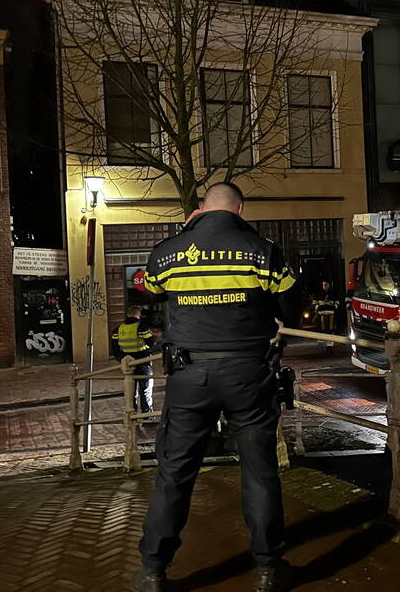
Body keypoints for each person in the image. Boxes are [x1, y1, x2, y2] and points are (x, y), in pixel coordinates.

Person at [133, 182, 299, 592]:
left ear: (201, 208)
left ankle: (153, 571)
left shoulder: (169, 251)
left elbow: (146, 290)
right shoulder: (262, 250)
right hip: (249, 374)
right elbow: (293, 306)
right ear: (239, 210)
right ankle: (267, 569)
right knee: (259, 473)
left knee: (174, 472)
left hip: (189, 376)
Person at [111, 305, 157, 414]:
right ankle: (147, 415)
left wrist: (122, 359)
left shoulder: (118, 329)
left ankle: (132, 414)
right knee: (145, 389)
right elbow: (151, 342)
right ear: (139, 315)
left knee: (131, 390)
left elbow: (115, 348)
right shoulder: (141, 326)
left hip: (128, 363)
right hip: (143, 362)